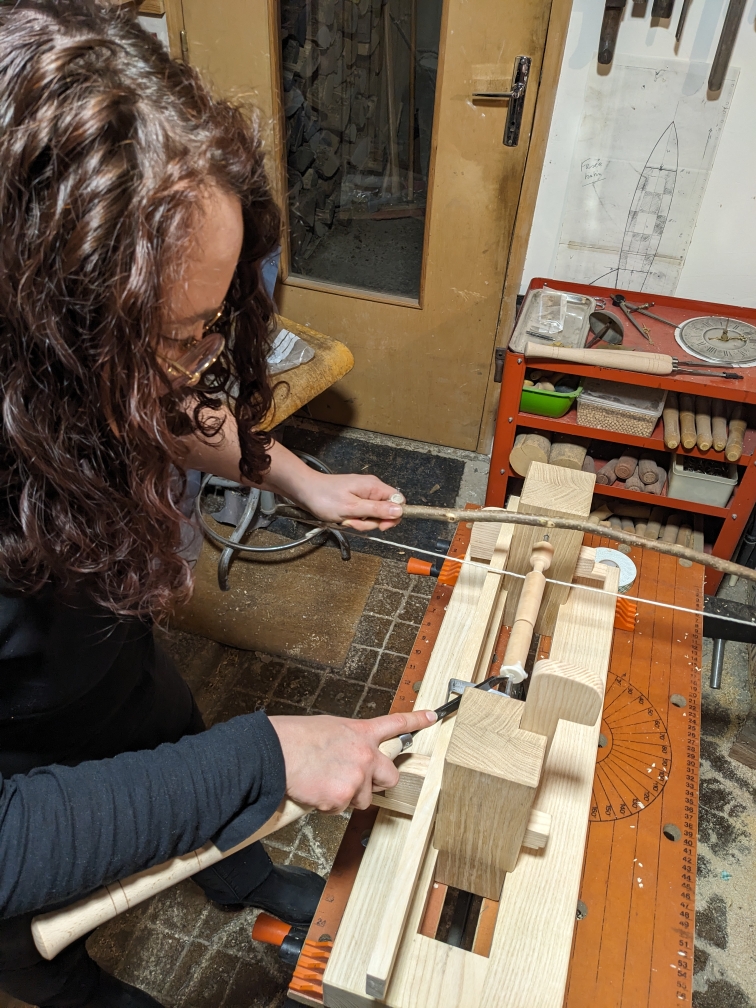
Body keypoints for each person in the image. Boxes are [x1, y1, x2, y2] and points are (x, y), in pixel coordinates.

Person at [0, 3, 437, 1005]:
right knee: (48, 959)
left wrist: (292, 475)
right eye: (177, 332)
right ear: (38, 334)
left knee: (181, 745)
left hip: (106, 663)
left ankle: (247, 879)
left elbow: (149, 403)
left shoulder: (72, 372)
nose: (202, 359)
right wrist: (263, 755)